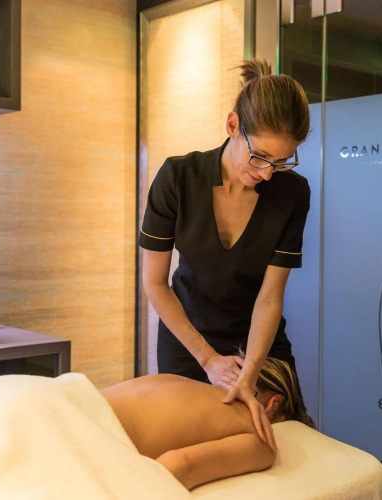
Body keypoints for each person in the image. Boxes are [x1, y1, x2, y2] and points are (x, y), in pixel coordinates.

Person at [139, 58, 311, 448]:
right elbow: (155, 284)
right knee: (187, 446)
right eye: (260, 157)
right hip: (188, 342)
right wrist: (208, 360)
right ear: (233, 126)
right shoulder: (178, 178)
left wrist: (248, 375)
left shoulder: (292, 192)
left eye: (281, 162)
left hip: (259, 345)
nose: (267, 173)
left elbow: (270, 297)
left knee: (274, 446)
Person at [101, 356, 314, 490]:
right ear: (274, 401)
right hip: (96, 436)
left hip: (85, 398)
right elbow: (179, 465)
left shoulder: (180, 382)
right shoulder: (262, 437)